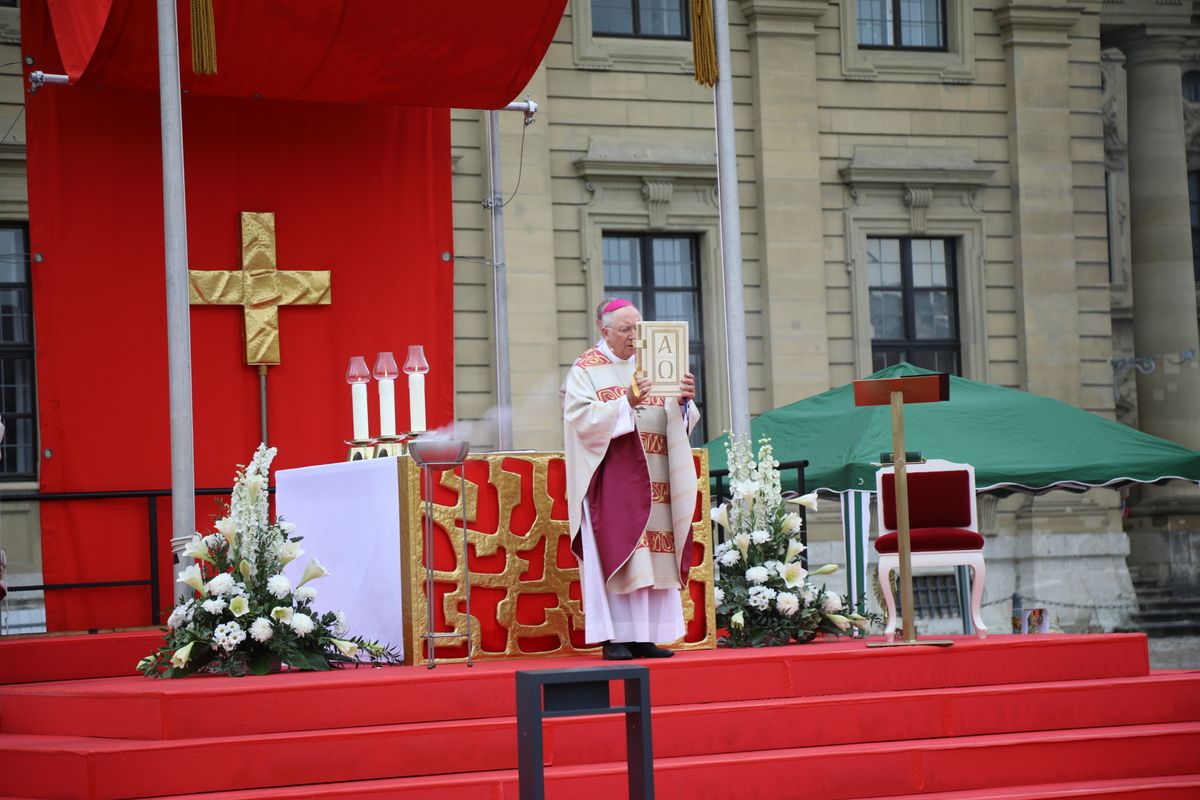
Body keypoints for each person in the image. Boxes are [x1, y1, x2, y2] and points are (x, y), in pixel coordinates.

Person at [562, 297, 700, 660]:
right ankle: (615, 637)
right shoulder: (586, 368)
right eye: (625, 330)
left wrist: (685, 401)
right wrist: (626, 402)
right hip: (612, 479)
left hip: (657, 477)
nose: (634, 336)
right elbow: (580, 418)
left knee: (654, 556)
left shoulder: (656, 364)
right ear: (603, 330)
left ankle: (646, 635)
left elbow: (679, 420)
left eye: (638, 328)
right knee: (622, 552)